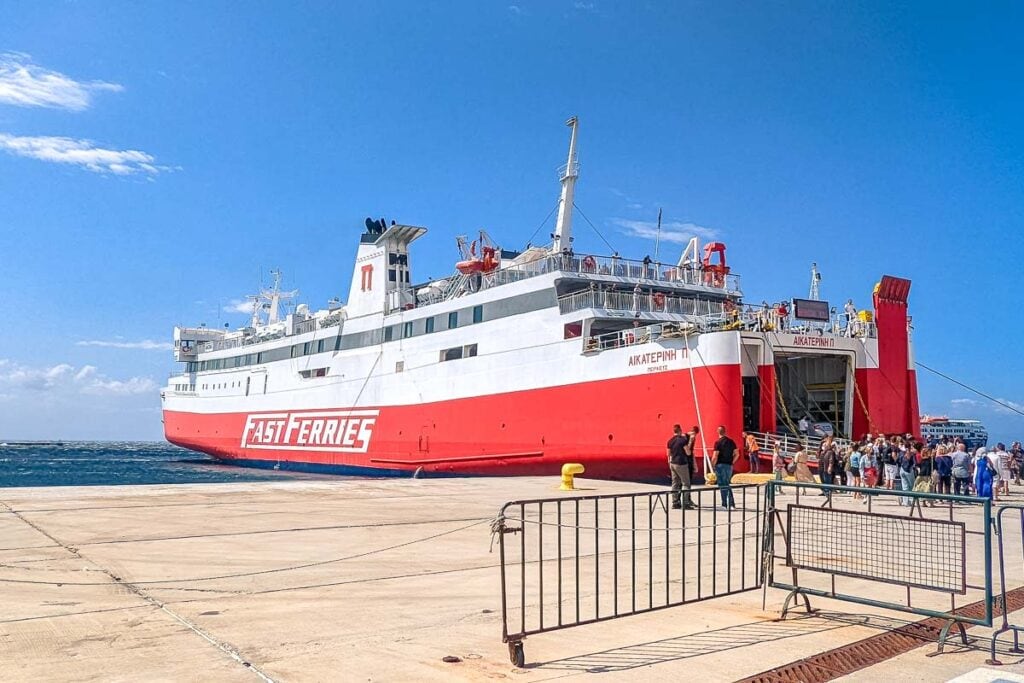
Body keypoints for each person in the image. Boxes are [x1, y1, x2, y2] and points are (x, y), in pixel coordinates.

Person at [666, 424, 696, 510]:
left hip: (673, 463)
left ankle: (675, 502)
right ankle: (685, 503)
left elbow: (668, 454)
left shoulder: (670, 441)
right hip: (681, 463)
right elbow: (688, 452)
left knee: (675, 483)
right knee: (686, 483)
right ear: (680, 430)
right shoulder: (682, 441)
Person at [712, 425, 737, 509]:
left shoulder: (717, 443)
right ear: (725, 431)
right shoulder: (731, 441)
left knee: (722, 485)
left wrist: (712, 465)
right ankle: (731, 504)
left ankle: (724, 504)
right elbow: (737, 454)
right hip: (729, 465)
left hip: (720, 465)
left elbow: (715, 455)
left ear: (717, 432)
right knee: (727, 484)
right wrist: (732, 462)